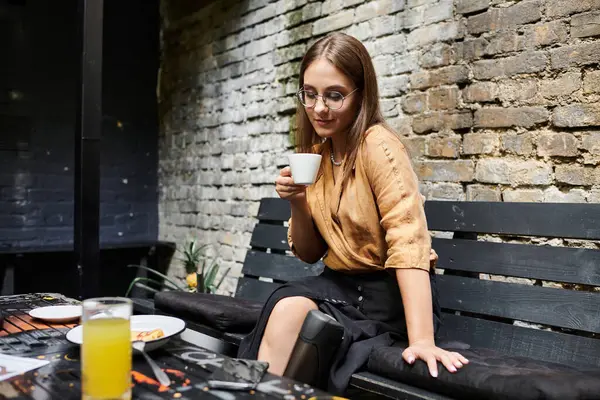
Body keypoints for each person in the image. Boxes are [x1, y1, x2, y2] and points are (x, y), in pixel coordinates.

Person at [238, 32, 468, 393]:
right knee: (286, 308)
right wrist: (298, 202)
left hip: (387, 297)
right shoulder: (319, 153)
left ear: (361, 94)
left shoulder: (378, 146)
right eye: (309, 94)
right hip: (338, 286)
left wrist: (421, 338)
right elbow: (310, 253)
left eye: (334, 95)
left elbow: (408, 241)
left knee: (300, 320)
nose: (318, 108)